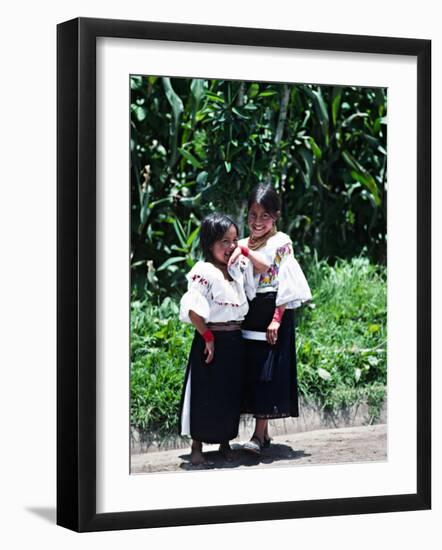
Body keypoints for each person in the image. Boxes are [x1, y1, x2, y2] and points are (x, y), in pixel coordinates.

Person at [178, 213, 267, 466]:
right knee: (205, 393)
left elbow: (264, 268)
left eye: (234, 240)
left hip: (234, 341)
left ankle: (224, 443)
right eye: (224, 242)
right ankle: (197, 448)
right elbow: (194, 310)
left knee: (229, 394)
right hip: (211, 341)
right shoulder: (204, 272)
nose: (230, 247)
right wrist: (207, 337)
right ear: (209, 243)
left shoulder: (236, 271)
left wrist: (244, 253)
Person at [230, 184, 312, 454]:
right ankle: (261, 437)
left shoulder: (281, 244)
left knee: (267, 374)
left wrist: (277, 319)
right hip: (249, 315)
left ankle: (257, 435)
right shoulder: (241, 244)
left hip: (272, 312)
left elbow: (285, 284)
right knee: (252, 373)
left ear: (275, 216)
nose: (257, 222)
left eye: (264, 216)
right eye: (253, 215)